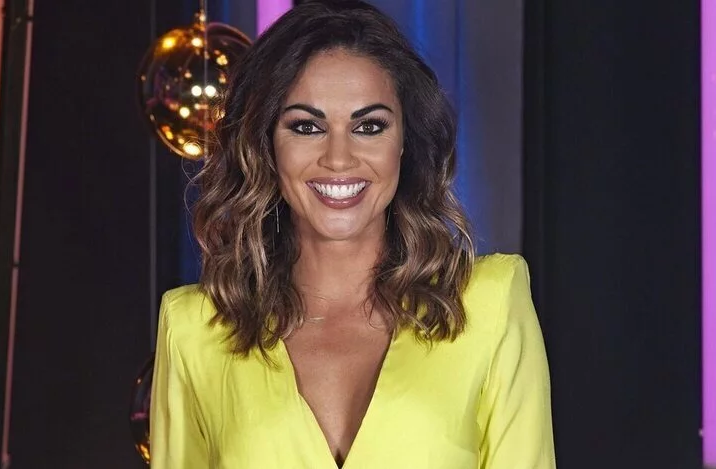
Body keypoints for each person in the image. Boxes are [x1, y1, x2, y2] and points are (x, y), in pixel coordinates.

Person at [149, 1, 556, 467]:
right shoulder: (193, 330)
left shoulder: (490, 305)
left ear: (404, 142)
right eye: (306, 126)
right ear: (265, 144)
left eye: (369, 126)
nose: (338, 158)